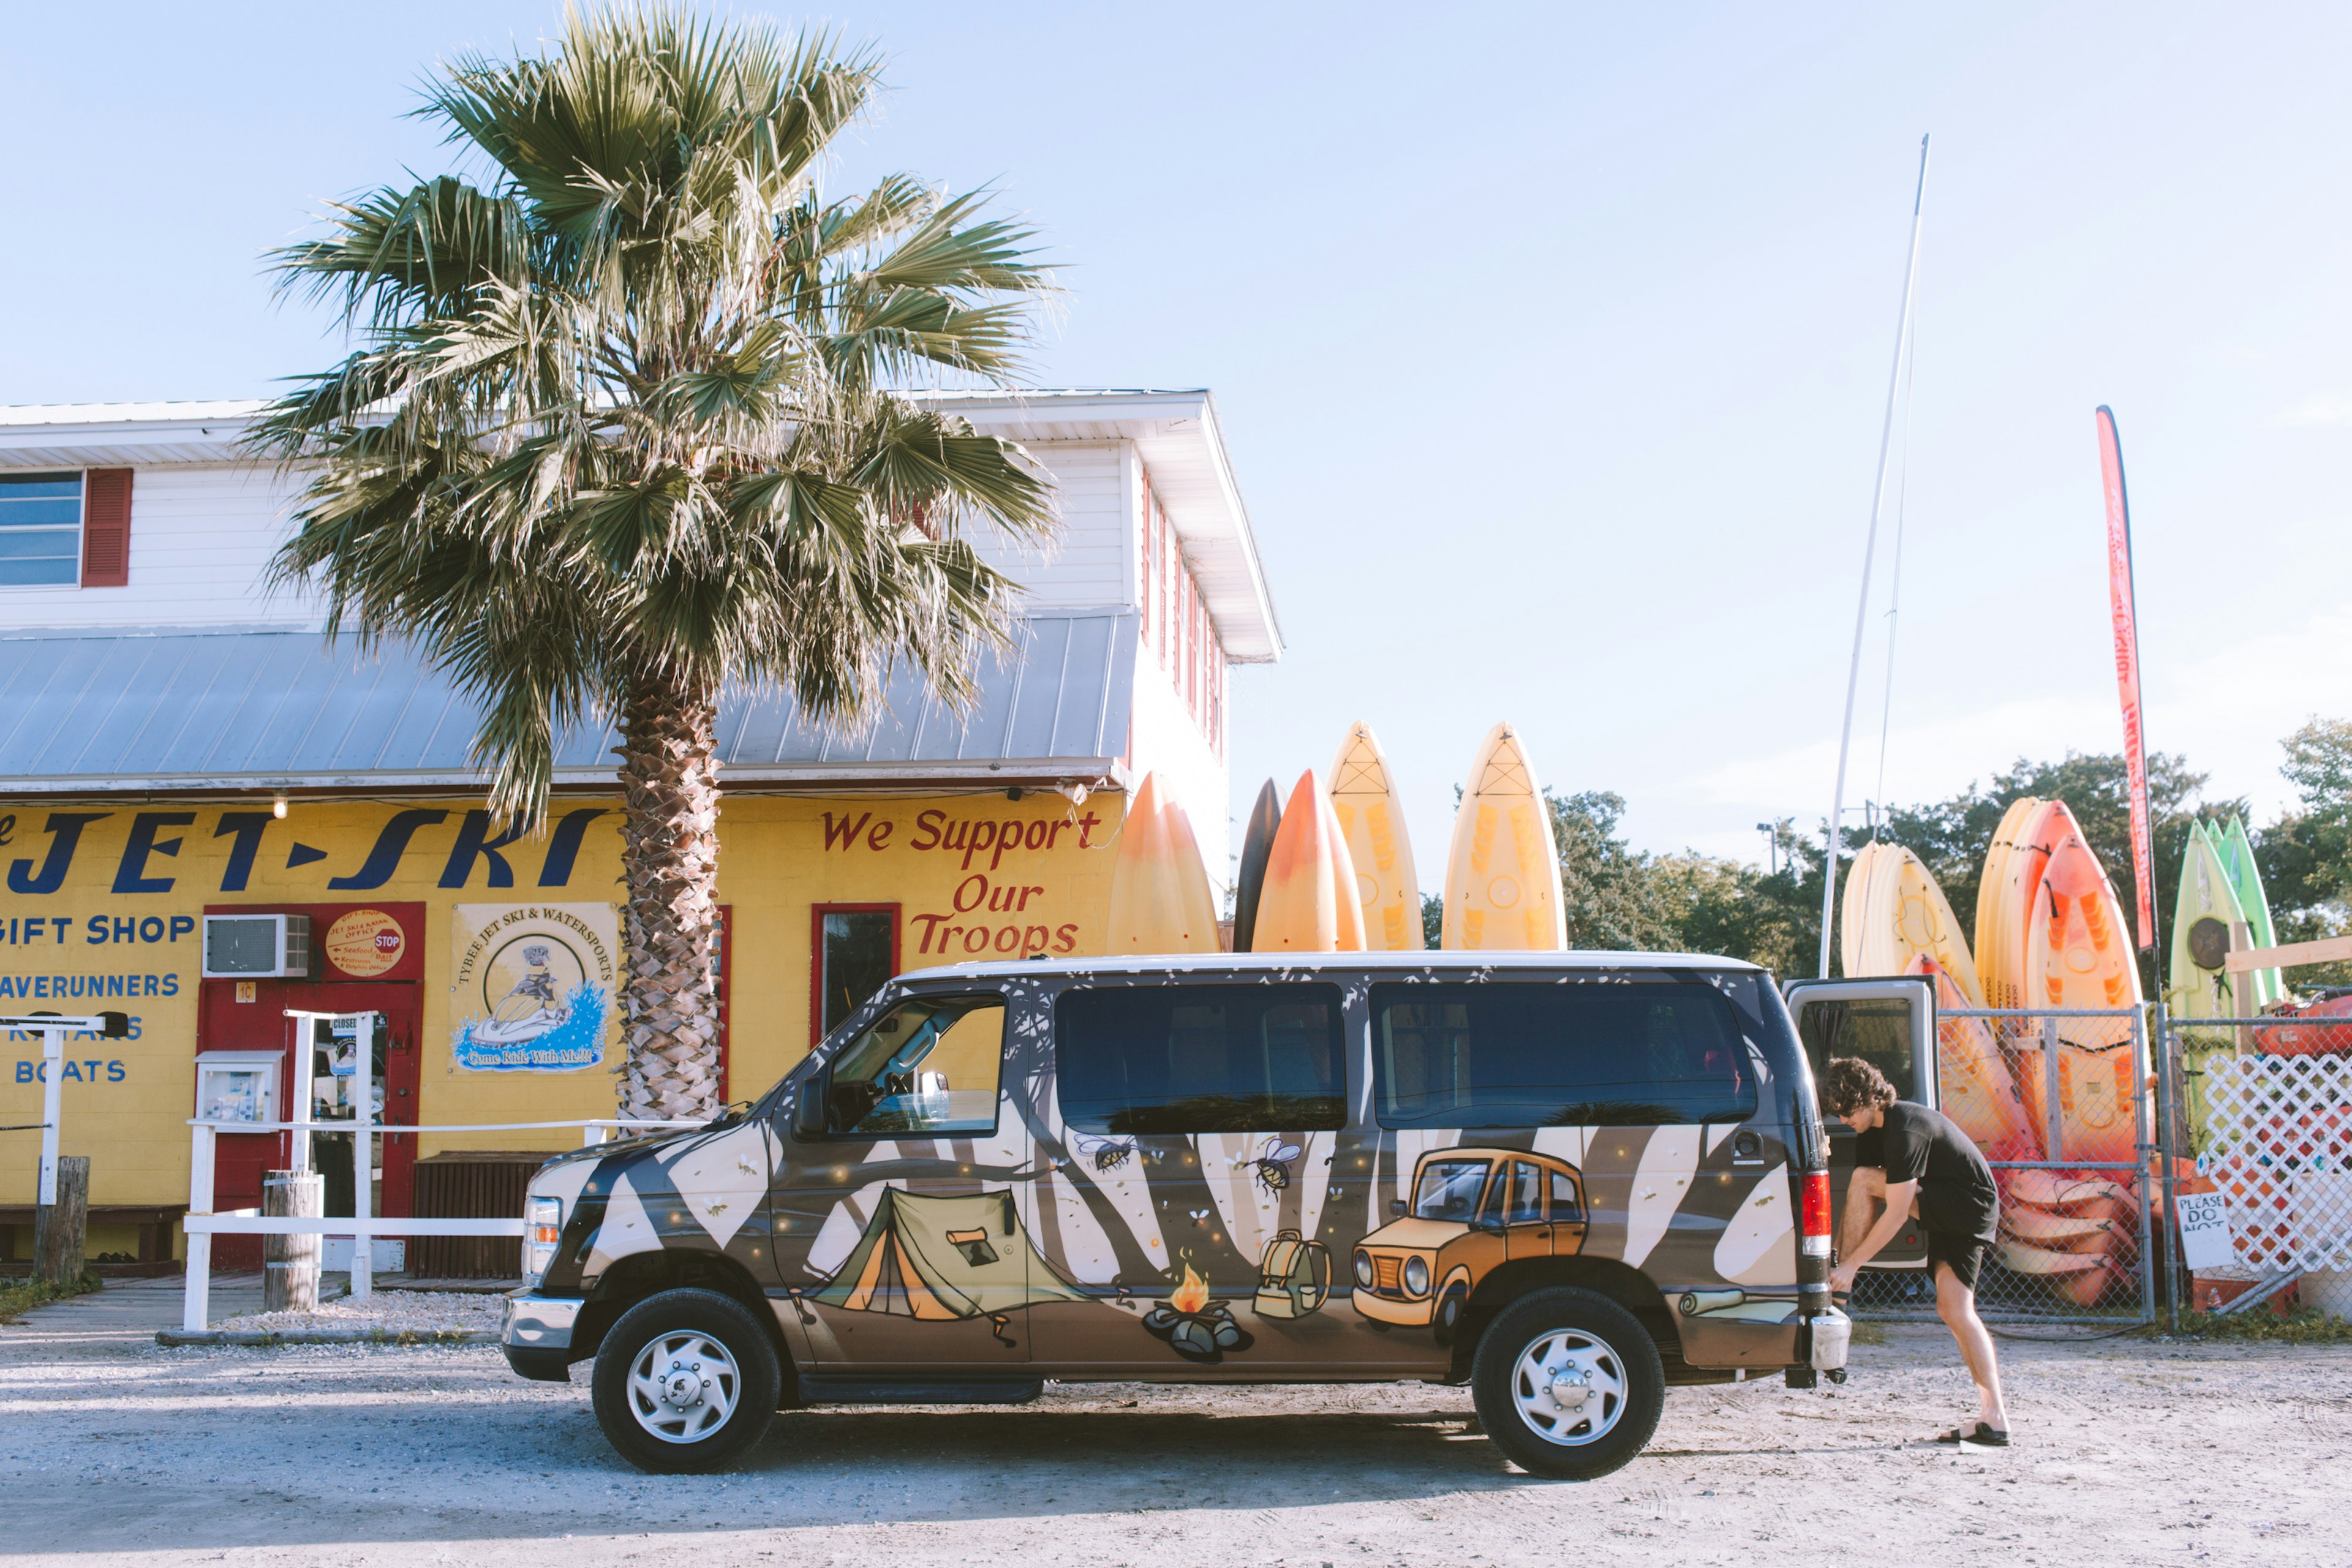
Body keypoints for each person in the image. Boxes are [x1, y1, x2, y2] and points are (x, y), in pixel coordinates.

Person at [1821, 1056, 2010, 1447]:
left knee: (1861, 1180)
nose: (1841, 1120)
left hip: (1968, 1204)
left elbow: (1893, 1214)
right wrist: (1841, 1258)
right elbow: (1861, 1205)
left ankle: (1838, 1296)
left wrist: (1850, 1266)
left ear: (1866, 1098)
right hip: (1951, 1205)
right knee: (1954, 1309)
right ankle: (1994, 1418)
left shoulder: (1905, 1127)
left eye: (1845, 1110)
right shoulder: (1873, 1134)